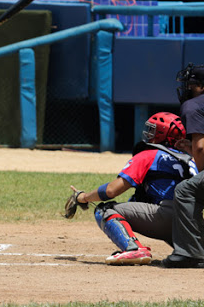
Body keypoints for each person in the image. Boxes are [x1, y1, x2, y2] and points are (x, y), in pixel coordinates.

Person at [70, 112, 197, 265]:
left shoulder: (149, 154)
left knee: (105, 210)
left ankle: (133, 248)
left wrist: (83, 197)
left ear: (160, 135)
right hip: (192, 221)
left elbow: (111, 191)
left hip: (166, 216)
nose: (148, 133)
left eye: (153, 130)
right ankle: (195, 251)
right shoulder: (190, 159)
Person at [162, 63, 204, 268]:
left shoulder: (193, 105)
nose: (187, 88)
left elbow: (202, 148)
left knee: (186, 190)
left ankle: (190, 253)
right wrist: (191, 149)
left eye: (192, 84)